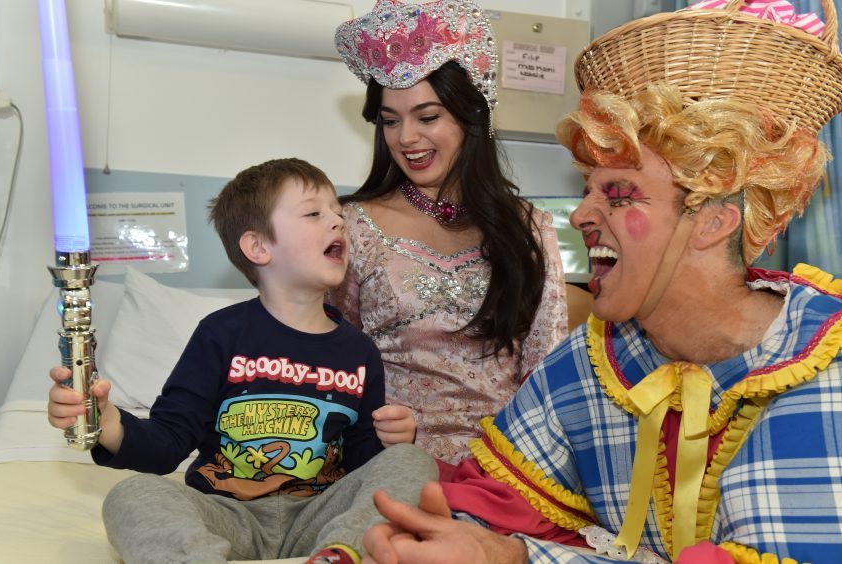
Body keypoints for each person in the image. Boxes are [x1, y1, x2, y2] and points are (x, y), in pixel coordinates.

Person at [360, 3, 842, 563]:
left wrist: (516, 560)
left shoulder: (821, 373)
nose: (582, 215)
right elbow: (492, 504)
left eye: (616, 194)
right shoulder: (592, 368)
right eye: (588, 188)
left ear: (713, 222)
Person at [47, 158, 438, 564]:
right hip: (228, 514)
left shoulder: (360, 352)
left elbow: (362, 467)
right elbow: (167, 443)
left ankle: (341, 556)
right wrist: (107, 419)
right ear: (258, 247)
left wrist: (392, 442)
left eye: (338, 213)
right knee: (131, 494)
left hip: (319, 519)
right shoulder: (220, 334)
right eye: (313, 213)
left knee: (412, 462)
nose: (339, 222)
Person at [331, 0, 569, 463]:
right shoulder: (354, 226)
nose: (406, 139)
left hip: (506, 467)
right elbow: (330, 362)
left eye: (427, 116)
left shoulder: (528, 229)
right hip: (391, 464)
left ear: (470, 116)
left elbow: (546, 371)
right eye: (391, 120)